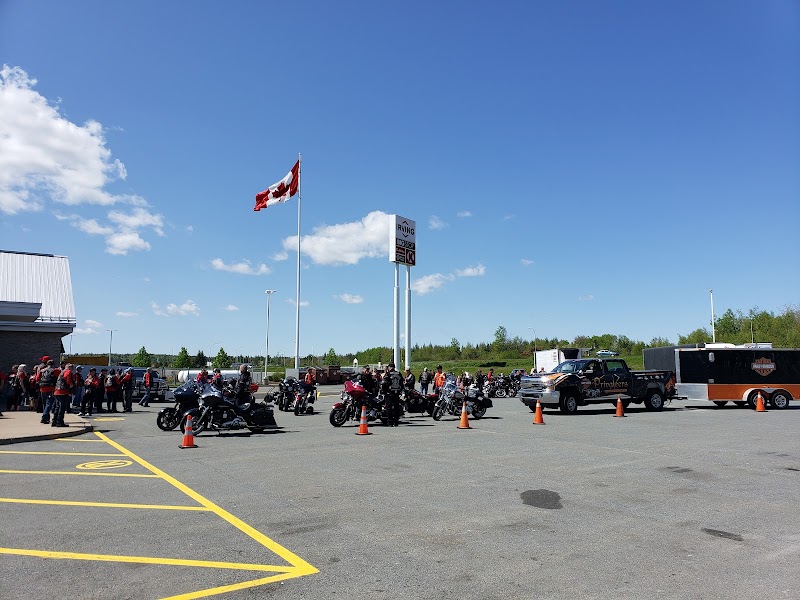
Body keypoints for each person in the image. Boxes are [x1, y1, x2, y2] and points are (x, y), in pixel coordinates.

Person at [380, 362, 403, 427]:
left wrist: (383, 391)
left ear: (389, 367)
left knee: (388, 408)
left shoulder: (388, 374)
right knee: (396, 407)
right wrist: (400, 391)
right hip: (397, 393)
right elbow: (402, 383)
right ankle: (396, 422)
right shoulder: (399, 374)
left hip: (389, 393)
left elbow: (384, 383)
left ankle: (390, 422)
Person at [52, 363, 75, 427]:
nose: (73, 369)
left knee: (57, 407)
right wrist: (71, 385)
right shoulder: (68, 371)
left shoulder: (62, 372)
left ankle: (54, 421)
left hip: (57, 391)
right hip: (63, 391)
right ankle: (59, 422)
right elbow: (67, 377)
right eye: (72, 368)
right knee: (62, 407)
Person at [36, 359, 58, 424]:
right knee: (49, 404)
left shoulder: (42, 370)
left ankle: (46, 418)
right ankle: (44, 417)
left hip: (42, 388)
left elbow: (37, 379)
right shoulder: (55, 370)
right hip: (51, 388)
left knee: (45, 404)